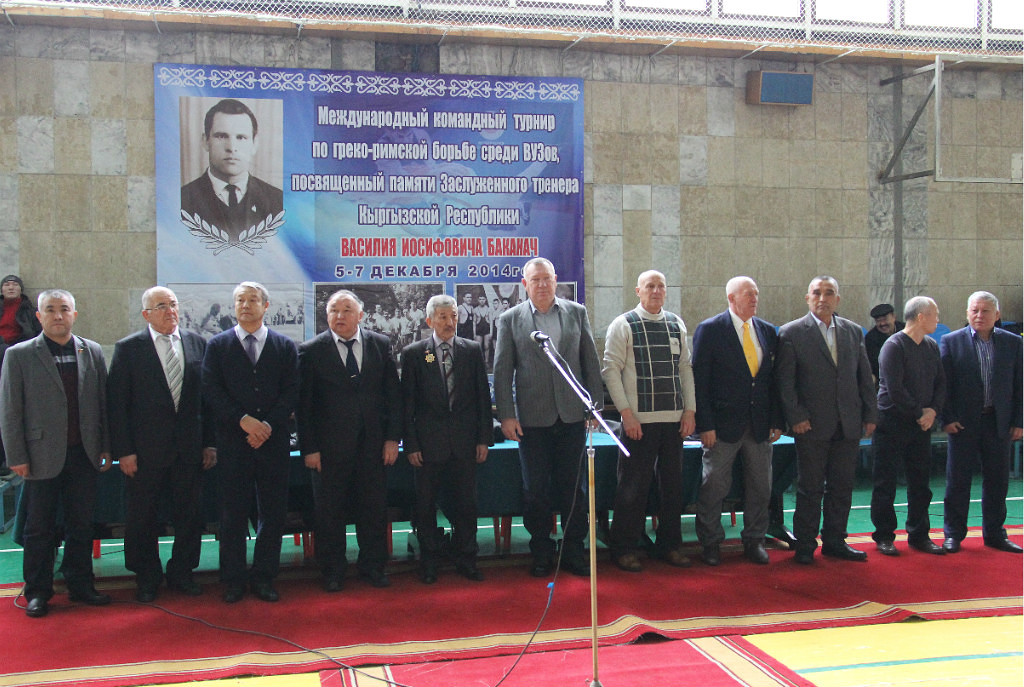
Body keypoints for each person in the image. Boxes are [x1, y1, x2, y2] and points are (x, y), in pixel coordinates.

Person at [0, 289, 112, 618]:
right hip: (39, 456)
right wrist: (16, 455)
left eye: (64, 309)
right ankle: (37, 591)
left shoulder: (91, 351)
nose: (58, 315)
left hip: (84, 454)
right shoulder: (19, 355)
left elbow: (103, 404)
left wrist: (106, 446)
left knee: (82, 524)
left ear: (74, 314)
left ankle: (81, 585)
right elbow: (10, 410)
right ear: (39, 316)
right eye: (50, 309)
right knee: (39, 528)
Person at [493, 257, 603, 577]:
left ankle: (573, 550)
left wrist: (594, 406)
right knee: (536, 490)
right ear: (524, 284)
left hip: (572, 416)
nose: (542, 285)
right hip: (532, 421)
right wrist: (507, 416)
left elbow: (590, 362)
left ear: (556, 281)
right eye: (535, 280)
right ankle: (541, 550)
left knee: (574, 489)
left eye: (547, 279)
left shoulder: (576, 313)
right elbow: (502, 372)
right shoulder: (510, 319)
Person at [106, 287, 217, 602]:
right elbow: (117, 405)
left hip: (189, 449)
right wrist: (124, 451)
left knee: (189, 515)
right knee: (142, 517)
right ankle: (147, 577)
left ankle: (183, 572)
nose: (170, 311)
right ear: (146, 314)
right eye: (161, 306)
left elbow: (207, 400)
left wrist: (209, 443)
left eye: (173, 304)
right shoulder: (129, 348)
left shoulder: (197, 343)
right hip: (144, 452)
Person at [297, 289, 402, 590]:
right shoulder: (311, 350)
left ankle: (374, 567)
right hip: (328, 450)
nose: (339, 316)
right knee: (329, 513)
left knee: (373, 509)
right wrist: (310, 448)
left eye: (346, 310)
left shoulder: (380, 344)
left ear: (360, 315)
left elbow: (393, 396)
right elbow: (304, 405)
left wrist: (392, 439)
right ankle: (333, 571)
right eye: (333, 310)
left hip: (373, 446)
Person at [201, 282, 298, 603]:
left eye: (252, 300)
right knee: (232, 514)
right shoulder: (218, 346)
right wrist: (243, 420)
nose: (245, 305)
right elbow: (211, 390)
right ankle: (233, 579)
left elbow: (292, 391)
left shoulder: (284, 346)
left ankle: (264, 577)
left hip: (273, 442)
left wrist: (267, 425)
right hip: (233, 443)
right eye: (240, 300)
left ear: (265, 306)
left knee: (273, 513)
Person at [776, 276, 877, 564]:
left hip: (848, 422)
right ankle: (805, 544)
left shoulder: (853, 331)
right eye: (817, 293)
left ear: (838, 299)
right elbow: (785, 382)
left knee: (842, 487)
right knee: (810, 488)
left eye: (829, 293)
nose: (823, 298)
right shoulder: (792, 333)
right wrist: (796, 417)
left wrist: (870, 414)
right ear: (807, 298)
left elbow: (864, 376)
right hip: (810, 424)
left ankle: (835, 541)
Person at [601, 270, 696, 572]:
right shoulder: (623, 324)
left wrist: (690, 410)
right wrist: (626, 414)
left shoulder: (676, 323)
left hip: (674, 421)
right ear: (638, 291)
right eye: (650, 286)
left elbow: (685, 368)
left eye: (660, 286)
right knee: (633, 488)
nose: (656, 291)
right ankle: (624, 548)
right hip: (638, 423)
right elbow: (610, 370)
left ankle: (669, 546)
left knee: (672, 488)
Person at [692, 276, 784, 566]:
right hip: (721, 426)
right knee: (714, 486)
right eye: (748, 294)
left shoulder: (767, 331)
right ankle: (710, 542)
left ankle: (754, 539)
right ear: (731, 298)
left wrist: (776, 420)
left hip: (759, 425)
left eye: (756, 294)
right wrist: (705, 425)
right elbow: (699, 382)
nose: (754, 299)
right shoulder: (710, 330)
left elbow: (773, 381)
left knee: (761, 486)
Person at [401, 294, 492, 584]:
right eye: (442, 317)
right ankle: (429, 560)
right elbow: (408, 405)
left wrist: (483, 439)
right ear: (429, 320)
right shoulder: (416, 354)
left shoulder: (471, 350)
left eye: (453, 316)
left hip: (465, 443)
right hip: (428, 446)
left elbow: (482, 397)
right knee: (426, 505)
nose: (449, 322)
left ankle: (467, 558)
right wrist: (411, 444)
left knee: (466, 504)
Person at [940, 291, 1023, 555]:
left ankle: (995, 534)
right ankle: (953, 534)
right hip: (962, 424)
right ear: (967, 313)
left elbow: (1020, 385)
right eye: (974, 310)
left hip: (998, 422)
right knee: (958, 481)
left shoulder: (1013, 343)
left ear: (997, 315)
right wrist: (947, 418)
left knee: (997, 481)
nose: (979, 315)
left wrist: (1019, 421)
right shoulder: (951, 342)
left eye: (985, 311)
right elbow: (944, 386)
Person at [870, 296, 945, 557]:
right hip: (891, 423)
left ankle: (919, 535)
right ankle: (884, 536)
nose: (938, 319)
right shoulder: (893, 346)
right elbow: (895, 389)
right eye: (935, 314)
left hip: (921, 424)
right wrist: (920, 413)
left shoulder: (931, 346)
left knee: (920, 483)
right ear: (921, 317)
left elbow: (941, 382)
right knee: (885, 483)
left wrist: (933, 411)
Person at [180, 98, 283, 242]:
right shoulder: (182, 199)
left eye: (241, 137)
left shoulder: (278, 201)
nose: (231, 147)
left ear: (254, 144)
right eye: (222, 136)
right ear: (206, 141)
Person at [1, 275, 42, 480]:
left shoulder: (28, 310)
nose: (10, 288)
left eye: (14, 285)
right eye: (6, 285)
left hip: (20, 355)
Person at [865, 303, 904, 383]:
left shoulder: (906, 331)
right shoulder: (871, 339)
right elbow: (876, 365)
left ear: (894, 317)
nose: (882, 324)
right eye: (878, 321)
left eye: (885, 319)